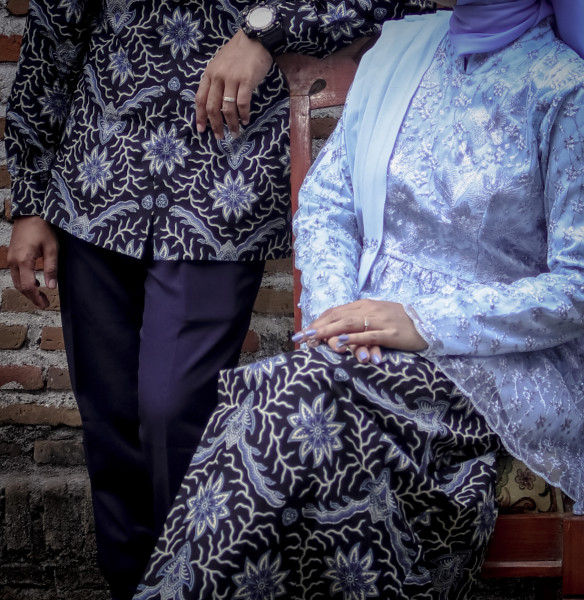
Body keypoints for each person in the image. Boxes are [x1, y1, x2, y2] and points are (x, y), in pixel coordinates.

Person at [133, 1, 584, 598]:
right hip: (359, 356)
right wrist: (338, 321)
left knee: (286, 400)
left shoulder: (567, 91)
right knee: (302, 410)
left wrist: (423, 322)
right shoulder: (400, 57)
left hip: (496, 368)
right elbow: (327, 206)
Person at [4, 1, 436, 598]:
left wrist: (265, 30)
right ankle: (130, 585)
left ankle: (190, 584)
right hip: (95, 177)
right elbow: (53, 37)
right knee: (108, 420)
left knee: (174, 411)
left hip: (223, 188)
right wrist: (29, 200)